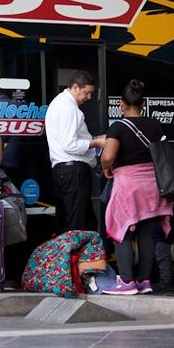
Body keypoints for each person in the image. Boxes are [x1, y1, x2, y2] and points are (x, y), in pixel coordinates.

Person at [100, 80, 173, 295]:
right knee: (146, 234)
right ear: (143, 103)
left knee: (121, 232)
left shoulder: (118, 127)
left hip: (128, 186)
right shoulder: (153, 125)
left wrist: (106, 168)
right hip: (152, 185)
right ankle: (144, 281)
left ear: (122, 104)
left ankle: (126, 281)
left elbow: (108, 156)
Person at [45, 71, 105, 233]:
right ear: (76, 87)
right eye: (87, 92)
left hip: (64, 171)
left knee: (79, 223)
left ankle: (79, 257)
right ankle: (77, 258)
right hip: (74, 172)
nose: (90, 97)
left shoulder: (58, 103)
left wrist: (94, 139)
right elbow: (70, 144)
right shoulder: (68, 108)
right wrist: (97, 142)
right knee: (77, 226)